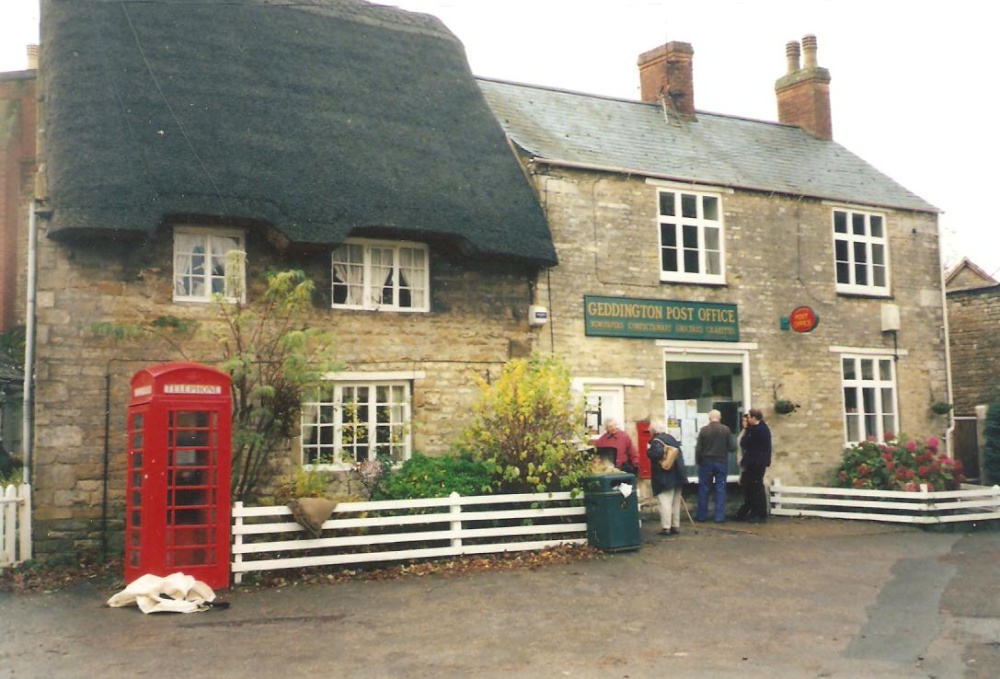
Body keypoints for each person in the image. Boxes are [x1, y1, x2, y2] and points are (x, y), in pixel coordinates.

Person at [694, 409, 736, 523]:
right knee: (720, 489)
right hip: (721, 462)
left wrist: (698, 461)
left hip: (706, 463)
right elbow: (732, 448)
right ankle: (719, 517)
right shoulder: (725, 430)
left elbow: (698, 449)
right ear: (720, 418)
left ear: (709, 418)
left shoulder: (704, 430)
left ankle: (701, 516)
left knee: (704, 489)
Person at [646, 421, 687, 536]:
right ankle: (675, 525)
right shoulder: (672, 438)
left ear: (653, 431)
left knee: (665, 502)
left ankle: (666, 527)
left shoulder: (656, 441)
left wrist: (648, 451)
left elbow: (657, 454)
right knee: (676, 502)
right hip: (677, 475)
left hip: (665, 476)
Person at [738, 408, 772, 523]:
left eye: (749, 418)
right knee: (752, 487)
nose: (747, 420)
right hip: (756, 462)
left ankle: (760, 513)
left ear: (753, 418)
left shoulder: (757, 430)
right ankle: (753, 511)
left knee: (756, 487)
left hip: (756, 463)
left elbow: (744, 443)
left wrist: (747, 429)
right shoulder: (762, 428)